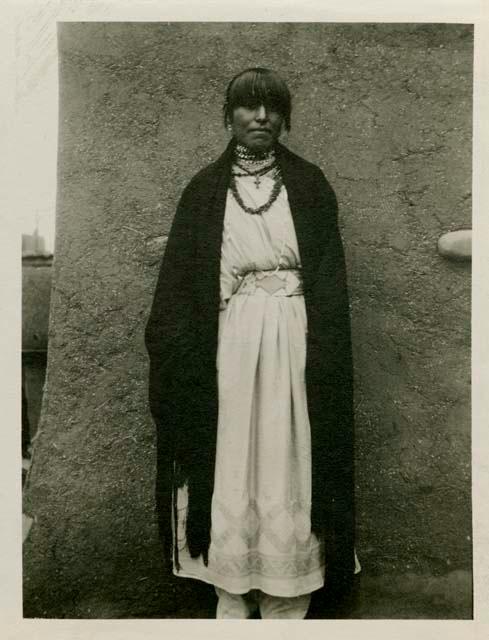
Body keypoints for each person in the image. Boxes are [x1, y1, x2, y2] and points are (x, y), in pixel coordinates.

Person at [145, 67, 359, 619]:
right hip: (231, 345)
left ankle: (288, 596)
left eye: (271, 107)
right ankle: (233, 590)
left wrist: (319, 350)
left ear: (285, 117)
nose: (260, 117)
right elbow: (182, 285)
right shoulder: (203, 191)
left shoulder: (309, 185)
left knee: (288, 454)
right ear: (229, 116)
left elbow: (331, 284)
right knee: (234, 455)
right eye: (247, 106)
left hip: (295, 343)